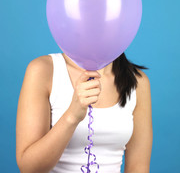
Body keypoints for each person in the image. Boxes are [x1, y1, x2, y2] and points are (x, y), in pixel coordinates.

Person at [16, 52, 153, 173]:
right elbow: (29, 168)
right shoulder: (43, 70)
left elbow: (138, 168)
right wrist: (71, 117)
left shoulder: (138, 82)